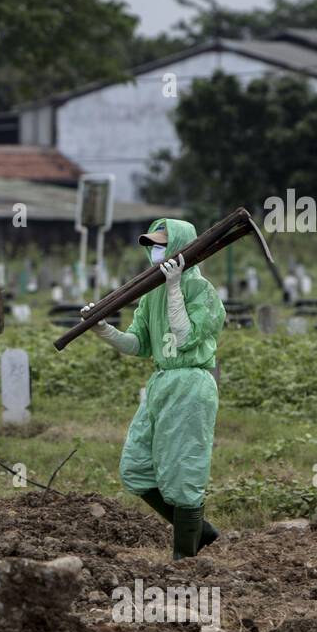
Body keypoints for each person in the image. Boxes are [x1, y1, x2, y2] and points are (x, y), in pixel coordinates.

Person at [81, 218, 224, 561]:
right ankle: (200, 531)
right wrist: (103, 329)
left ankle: (184, 558)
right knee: (136, 467)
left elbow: (185, 337)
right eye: (152, 245)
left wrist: (175, 287)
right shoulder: (152, 292)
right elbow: (138, 344)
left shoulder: (200, 290)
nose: (155, 251)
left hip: (191, 384)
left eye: (161, 244)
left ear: (179, 247)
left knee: (184, 473)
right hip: (161, 383)